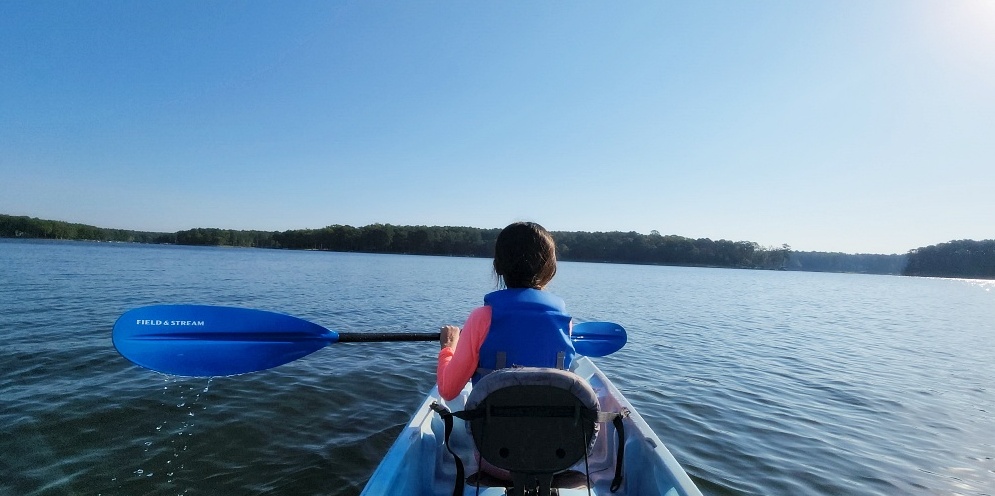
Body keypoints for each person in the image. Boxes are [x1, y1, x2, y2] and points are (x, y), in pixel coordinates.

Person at [437, 221, 575, 401]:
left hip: (491, 428)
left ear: (498, 266)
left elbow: (448, 391)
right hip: (554, 427)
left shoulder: (482, 318)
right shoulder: (565, 321)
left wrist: (448, 348)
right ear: (550, 269)